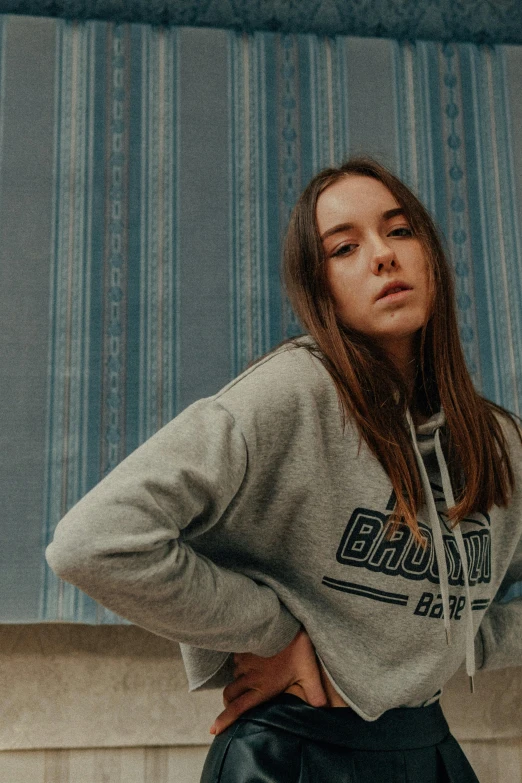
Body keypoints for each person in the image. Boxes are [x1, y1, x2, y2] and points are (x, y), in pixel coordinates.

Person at [45, 157, 522, 782]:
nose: (382, 256)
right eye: (345, 247)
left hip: (428, 747)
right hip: (292, 754)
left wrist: (462, 642)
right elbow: (93, 543)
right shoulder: (291, 394)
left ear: (432, 256)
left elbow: (477, 597)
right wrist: (277, 633)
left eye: (400, 231)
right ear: (316, 285)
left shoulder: (495, 438)